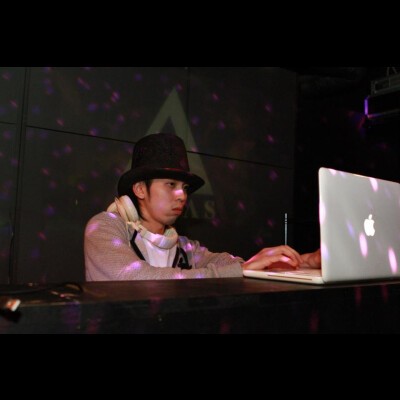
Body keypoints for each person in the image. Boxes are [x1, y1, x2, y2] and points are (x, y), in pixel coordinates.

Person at [84, 133, 320, 281]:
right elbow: (134, 277)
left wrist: (301, 261)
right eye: (170, 185)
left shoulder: (183, 247)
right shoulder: (105, 227)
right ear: (139, 189)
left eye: (185, 187)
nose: (182, 195)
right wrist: (239, 271)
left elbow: (230, 264)